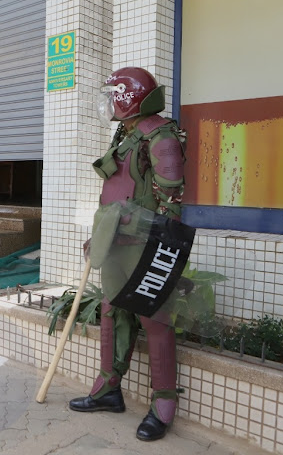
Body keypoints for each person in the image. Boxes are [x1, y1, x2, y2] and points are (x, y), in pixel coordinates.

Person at [69, 67, 187, 441]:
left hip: (146, 246)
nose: (109, 105)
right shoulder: (127, 133)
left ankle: (163, 404)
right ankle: (108, 389)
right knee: (111, 312)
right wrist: (99, 236)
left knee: (155, 320)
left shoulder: (160, 136)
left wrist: (160, 249)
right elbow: (117, 190)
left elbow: (171, 201)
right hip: (116, 244)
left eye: (113, 96)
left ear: (128, 98)